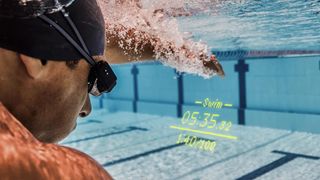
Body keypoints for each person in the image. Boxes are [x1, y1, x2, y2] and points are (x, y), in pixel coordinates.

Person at [0, 0, 224, 179]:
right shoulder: (47, 170)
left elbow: (54, 41)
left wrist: (170, 50)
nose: (86, 109)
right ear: (38, 59)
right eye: (95, 80)